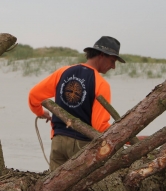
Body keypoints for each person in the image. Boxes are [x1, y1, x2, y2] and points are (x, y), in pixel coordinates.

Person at [28, 36, 125, 171]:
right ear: (102, 55)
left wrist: (40, 112)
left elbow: (34, 95)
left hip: (58, 140)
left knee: (54, 187)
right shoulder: (101, 84)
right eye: (112, 61)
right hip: (82, 146)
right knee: (80, 189)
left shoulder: (63, 72)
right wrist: (127, 137)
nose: (113, 67)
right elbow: (100, 126)